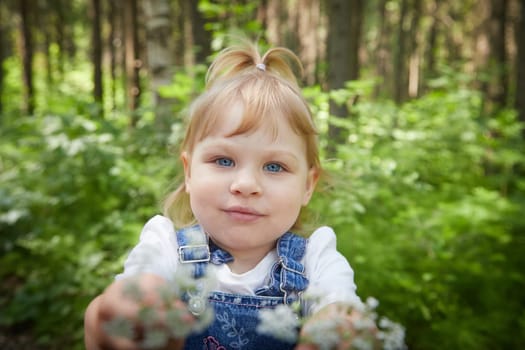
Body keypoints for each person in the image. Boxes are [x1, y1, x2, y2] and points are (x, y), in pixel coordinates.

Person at [84, 41, 361, 350]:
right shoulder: (165, 246)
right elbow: (129, 295)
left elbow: (339, 307)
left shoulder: (316, 259)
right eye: (224, 161)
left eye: (274, 166)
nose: (245, 184)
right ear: (189, 172)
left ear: (307, 186)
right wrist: (128, 306)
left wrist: (338, 324)